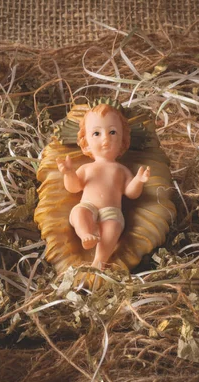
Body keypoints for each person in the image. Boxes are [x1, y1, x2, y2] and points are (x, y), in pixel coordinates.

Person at [57, 103, 150, 270]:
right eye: (96, 133)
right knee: (79, 212)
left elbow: (131, 193)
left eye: (112, 132)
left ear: (123, 141)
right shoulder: (86, 168)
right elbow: (74, 187)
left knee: (112, 227)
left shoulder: (120, 170)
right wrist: (69, 173)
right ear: (85, 143)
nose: (105, 139)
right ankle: (86, 234)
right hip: (88, 206)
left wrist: (139, 181)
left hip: (111, 211)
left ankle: (100, 261)